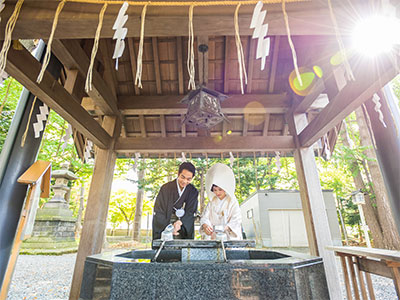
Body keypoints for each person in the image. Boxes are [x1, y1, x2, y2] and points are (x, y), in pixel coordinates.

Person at [152, 162, 199, 240]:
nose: (184, 181)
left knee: (183, 248)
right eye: (182, 177)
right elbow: (159, 210)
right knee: (166, 247)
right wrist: (169, 227)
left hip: (183, 222)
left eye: (188, 179)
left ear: (192, 178)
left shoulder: (193, 191)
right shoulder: (166, 188)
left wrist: (180, 222)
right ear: (178, 174)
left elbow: (190, 211)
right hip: (166, 220)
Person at [200, 163, 242, 240]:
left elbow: (237, 219)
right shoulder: (212, 202)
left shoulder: (232, 201)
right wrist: (206, 226)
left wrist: (225, 228)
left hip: (230, 237)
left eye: (220, 190)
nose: (217, 193)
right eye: (215, 190)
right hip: (214, 236)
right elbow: (205, 217)